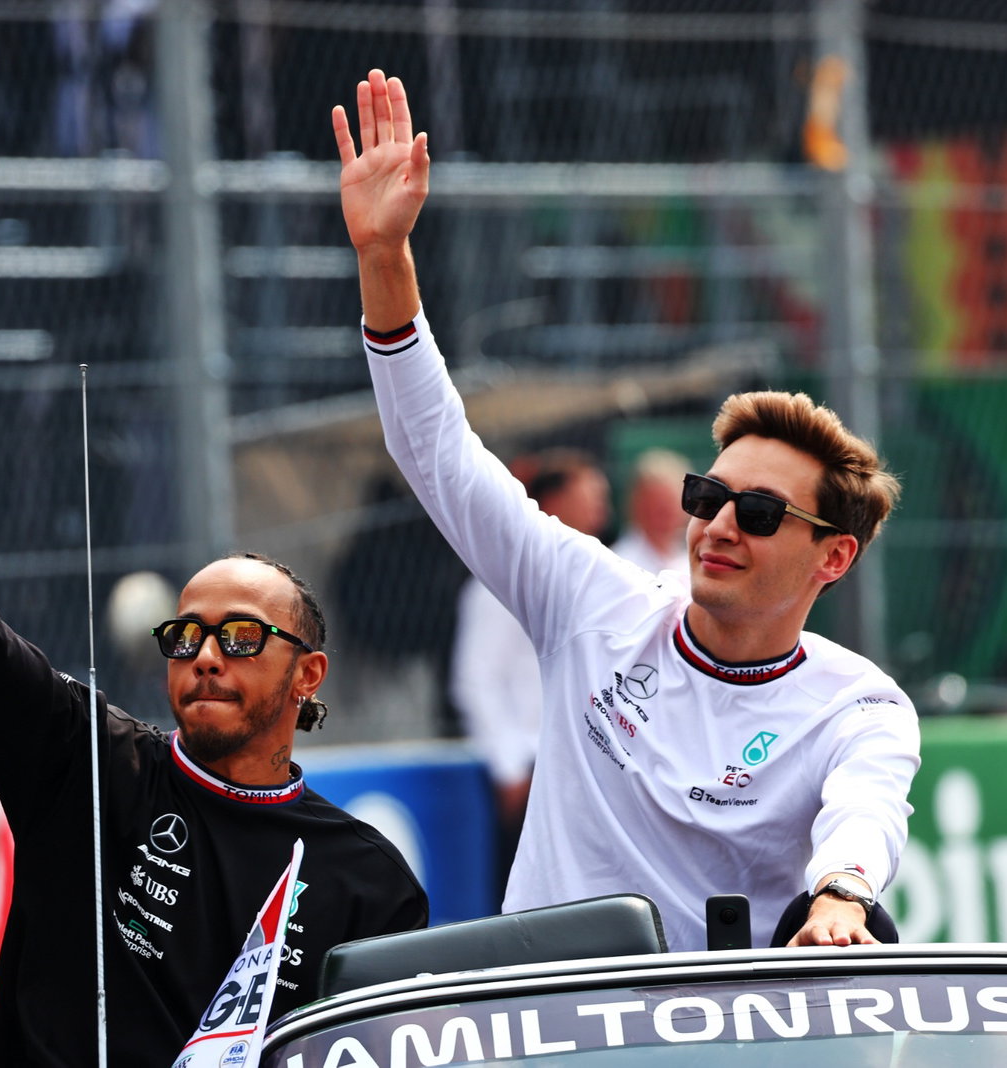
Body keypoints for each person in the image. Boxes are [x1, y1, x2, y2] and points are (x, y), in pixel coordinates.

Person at [333, 70, 919, 952]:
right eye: (708, 497)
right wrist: (385, 258)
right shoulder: (590, 599)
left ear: (832, 559)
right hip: (541, 1028)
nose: (718, 526)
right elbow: (438, 456)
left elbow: (865, 814)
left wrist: (841, 896)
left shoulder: (862, 706)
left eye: (758, 513)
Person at [0, 279, 427, 1065]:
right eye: (186, 636)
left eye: (243, 637)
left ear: (308, 673)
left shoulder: (369, 881)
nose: (207, 655)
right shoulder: (88, 766)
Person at [451, 447, 610, 901]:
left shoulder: (603, 578)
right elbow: (475, 679)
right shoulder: (497, 584)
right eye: (590, 496)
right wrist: (510, 767)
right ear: (553, 504)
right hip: (531, 769)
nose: (602, 509)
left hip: (591, 766)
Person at [610, 447, 692, 575]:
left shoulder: (692, 556)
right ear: (637, 506)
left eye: (672, 503)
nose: (667, 514)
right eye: (657, 506)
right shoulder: (619, 563)